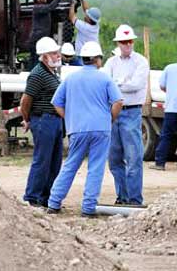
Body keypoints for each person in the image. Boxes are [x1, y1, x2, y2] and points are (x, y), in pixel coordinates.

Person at [47, 41, 123, 217]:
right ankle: (88, 208)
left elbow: (56, 102)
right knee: (95, 167)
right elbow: (118, 101)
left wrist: (70, 118)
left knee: (71, 165)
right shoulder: (104, 78)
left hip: (78, 128)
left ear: (82, 59)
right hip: (101, 129)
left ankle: (54, 202)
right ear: (97, 59)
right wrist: (109, 118)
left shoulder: (71, 78)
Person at [103, 24, 149, 205]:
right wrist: (123, 83)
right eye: (124, 41)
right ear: (118, 43)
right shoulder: (111, 62)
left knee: (133, 158)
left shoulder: (141, 62)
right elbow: (107, 84)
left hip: (131, 111)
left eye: (129, 41)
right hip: (114, 113)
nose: (127, 44)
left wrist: (117, 83)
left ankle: (134, 199)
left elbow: (136, 85)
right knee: (114, 158)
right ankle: (123, 196)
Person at [20, 37, 64, 208]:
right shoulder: (38, 74)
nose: (57, 55)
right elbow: (26, 100)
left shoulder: (51, 72)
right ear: (44, 56)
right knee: (43, 160)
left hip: (53, 120)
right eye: (54, 53)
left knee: (54, 161)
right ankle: (32, 197)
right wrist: (27, 119)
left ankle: (45, 197)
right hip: (44, 119)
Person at [28, 0, 69, 69]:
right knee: (36, 61)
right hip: (37, 39)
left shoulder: (41, 5)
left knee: (37, 60)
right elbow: (50, 7)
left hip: (39, 38)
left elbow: (49, 0)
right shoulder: (37, 8)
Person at [68, 0, 101, 65]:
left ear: (89, 19)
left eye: (87, 16)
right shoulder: (96, 25)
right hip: (94, 54)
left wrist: (72, 3)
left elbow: (72, 17)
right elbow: (86, 10)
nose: (85, 15)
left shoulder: (84, 27)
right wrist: (82, 0)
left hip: (82, 55)